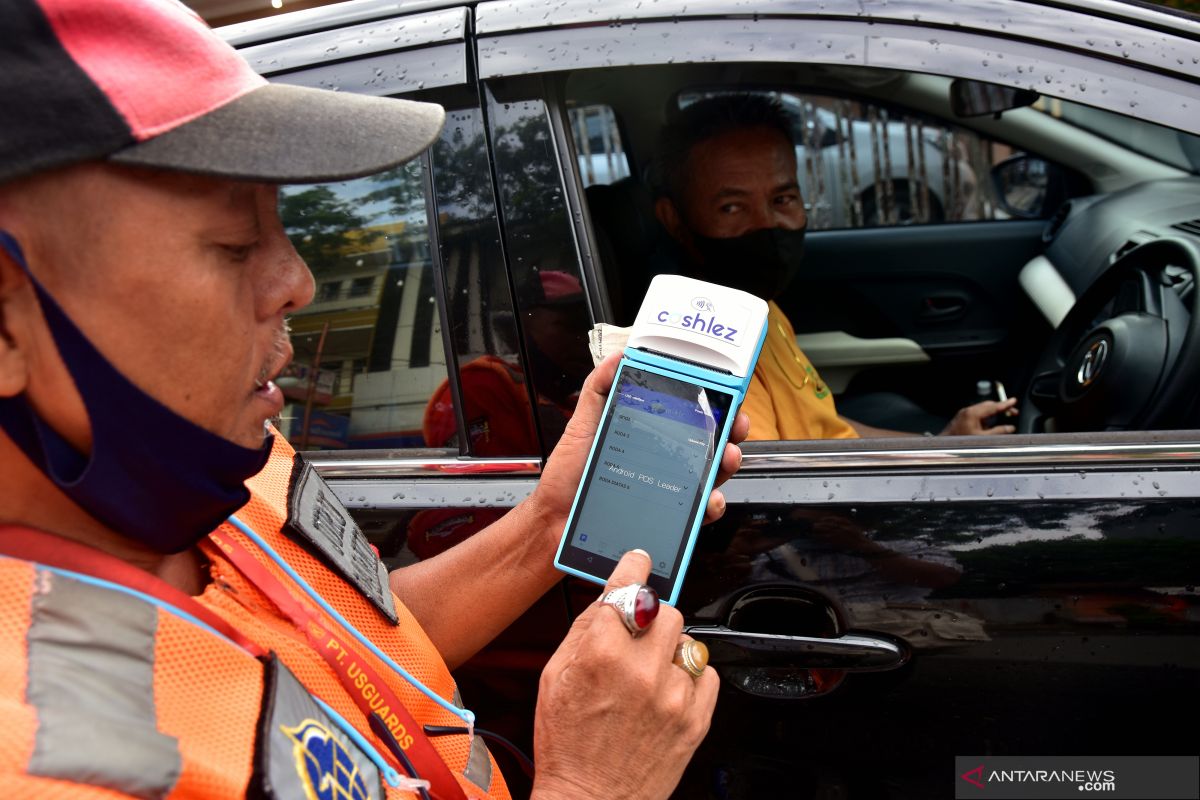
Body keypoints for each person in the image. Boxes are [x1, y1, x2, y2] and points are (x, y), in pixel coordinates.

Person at [0, 2, 747, 798]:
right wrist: (594, 786)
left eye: (282, 227)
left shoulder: (215, 458)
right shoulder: (39, 753)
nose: (299, 282)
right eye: (233, 244)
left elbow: (354, 640)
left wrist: (547, 525)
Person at [650, 94, 1018, 441]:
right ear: (674, 221)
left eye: (782, 198)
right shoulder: (703, 355)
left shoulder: (758, 306)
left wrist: (942, 443)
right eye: (732, 207)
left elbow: (819, 424)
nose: (767, 224)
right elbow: (776, 491)